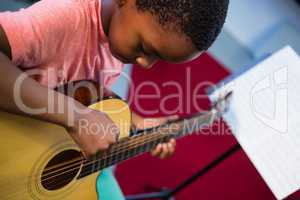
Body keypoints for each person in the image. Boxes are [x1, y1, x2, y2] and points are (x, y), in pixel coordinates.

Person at [0, 0, 229, 199]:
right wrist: (75, 117)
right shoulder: (65, 17)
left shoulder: (117, 38)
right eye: (143, 47)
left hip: (37, 155)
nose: (145, 64)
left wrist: (138, 124)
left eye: (158, 58)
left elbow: (89, 100)